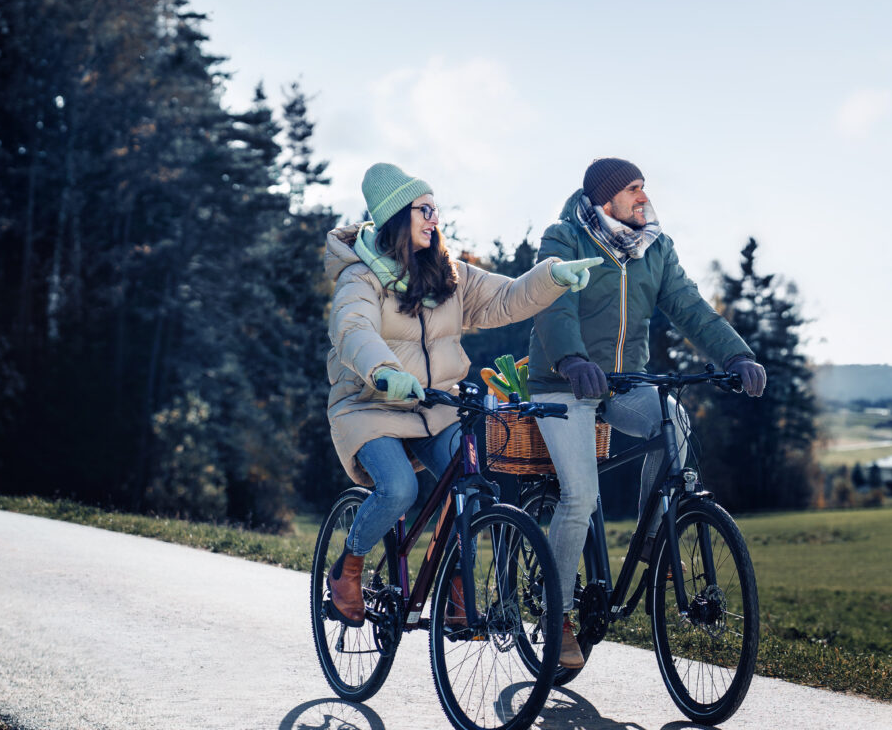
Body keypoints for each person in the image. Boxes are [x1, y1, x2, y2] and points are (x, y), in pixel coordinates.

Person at [325, 163, 600, 624]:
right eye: (425, 209)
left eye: (436, 210)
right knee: (398, 489)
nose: (435, 219)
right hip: (370, 406)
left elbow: (506, 298)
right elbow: (353, 331)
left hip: (435, 408)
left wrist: (553, 277)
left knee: (472, 487)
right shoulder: (359, 279)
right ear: (397, 216)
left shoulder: (447, 275)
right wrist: (385, 371)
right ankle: (349, 566)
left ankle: (456, 581)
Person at [527, 158, 766, 668]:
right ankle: (559, 615)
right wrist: (570, 359)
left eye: (644, 188)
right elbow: (553, 306)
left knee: (673, 419)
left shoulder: (655, 248)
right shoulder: (564, 238)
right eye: (633, 189)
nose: (643, 196)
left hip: (622, 384)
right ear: (605, 199)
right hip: (561, 384)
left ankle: (655, 536)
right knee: (580, 496)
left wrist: (736, 354)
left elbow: (690, 306)